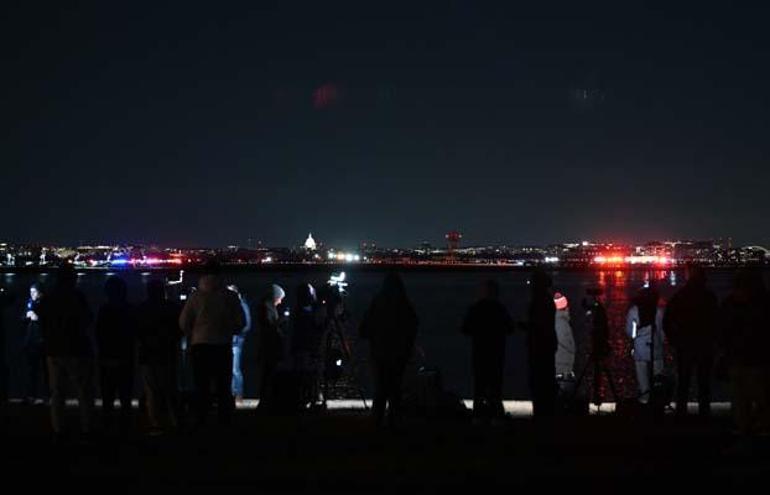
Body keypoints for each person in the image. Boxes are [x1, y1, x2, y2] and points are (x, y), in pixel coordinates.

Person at [179, 264, 245, 427]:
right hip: (222, 345)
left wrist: (192, 334)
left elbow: (183, 321)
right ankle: (224, 420)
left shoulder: (195, 297)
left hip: (200, 345)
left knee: (201, 384)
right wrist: (230, 330)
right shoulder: (230, 296)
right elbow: (240, 322)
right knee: (223, 385)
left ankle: (201, 419)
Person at [37, 266, 95, 439]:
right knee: (83, 392)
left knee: (57, 392)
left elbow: (42, 322)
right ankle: (86, 428)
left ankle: (58, 428)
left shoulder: (48, 298)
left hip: (53, 350)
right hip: (77, 349)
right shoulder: (77, 297)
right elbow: (87, 319)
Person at [359, 272, 418, 428]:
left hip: (379, 352)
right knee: (396, 388)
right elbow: (412, 327)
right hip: (399, 353)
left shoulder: (377, 304)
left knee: (380, 388)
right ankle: (394, 420)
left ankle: (377, 421)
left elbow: (364, 329)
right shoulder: (405, 305)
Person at [719, 269, 770, 437]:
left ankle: (743, 431)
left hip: (737, 358)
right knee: (760, 397)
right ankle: (761, 430)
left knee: (740, 399)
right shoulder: (763, 305)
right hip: (757, 360)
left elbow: (722, 331)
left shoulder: (729, 305)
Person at [663, 265, 719, 417]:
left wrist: (673, 339)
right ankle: (704, 414)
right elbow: (717, 321)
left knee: (684, 381)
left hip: (685, 345)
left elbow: (667, 321)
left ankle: (681, 413)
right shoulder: (709, 297)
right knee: (704, 383)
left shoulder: (680, 296)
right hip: (705, 345)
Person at [461, 279, 515, 422]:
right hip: (497, 353)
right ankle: (497, 417)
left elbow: (465, 329)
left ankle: (478, 417)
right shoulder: (500, 309)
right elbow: (510, 328)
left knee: (479, 386)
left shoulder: (475, 308)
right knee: (496, 387)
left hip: (479, 352)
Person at [137, 279, 182, 434]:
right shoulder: (171, 308)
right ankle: (175, 421)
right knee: (170, 389)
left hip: (147, 355)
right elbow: (179, 330)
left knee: (151, 391)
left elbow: (137, 332)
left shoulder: (142, 309)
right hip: (167, 353)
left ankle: (156, 423)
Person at [95, 276, 136, 434]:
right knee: (125, 396)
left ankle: (107, 428)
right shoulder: (130, 309)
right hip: (126, 357)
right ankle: (126, 428)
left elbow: (98, 333)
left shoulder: (104, 310)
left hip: (107, 358)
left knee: (107, 396)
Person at [626, 282, 665, 404]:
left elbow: (631, 333)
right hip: (656, 348)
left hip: (640, 349)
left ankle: (644, 399)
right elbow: (662, 332)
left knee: (642, 378)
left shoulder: (633, 311)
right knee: (658, 378)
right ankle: (658, 401)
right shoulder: (658, 311)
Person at [525, 268, 557, 418]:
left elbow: (539, 324)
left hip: (540, 344)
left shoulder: (540, 301)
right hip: (547, 342)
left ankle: (542, 411)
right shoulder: (547, 299)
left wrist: (527, 326)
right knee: (546, 377)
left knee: (539, 379)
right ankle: (547, 410)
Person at [290, 282, 326, 408]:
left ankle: (308, 396)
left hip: (303, 347)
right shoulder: (304, 311)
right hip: (306, 347)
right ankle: (307, 397)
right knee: (305, 373)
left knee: (306, 373)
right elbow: (317, 327)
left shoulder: (301, 310)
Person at [255, 284, 286, 412]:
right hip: (269, 346)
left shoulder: (267, 307)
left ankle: (267, 400)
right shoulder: (267, 308)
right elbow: (270, 326)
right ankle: (265, 401)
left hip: (269, 346)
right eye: (280, 298)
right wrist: (281, 321)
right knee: (268, 374)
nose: (280, 301)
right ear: (275, 296)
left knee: (268, 374)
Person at [23, 283, 48, 404]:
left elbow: (49, 321)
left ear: (40, 293)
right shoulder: (29, 303)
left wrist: (38, 318)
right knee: (31, 370)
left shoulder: (45, 304)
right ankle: (31, 395)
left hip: (42, 341)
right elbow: (22, 318)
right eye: (30, 292)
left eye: (34, 292)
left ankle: (46, 396)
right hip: (31, 341)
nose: (31, 294)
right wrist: (26, 316)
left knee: (44, 370)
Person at [228, 285, 252, 403]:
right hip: (232, 340)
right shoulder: (234, 306)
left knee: (235, 369)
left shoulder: (242, 305)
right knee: (232, 369)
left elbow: (247, 325)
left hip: (237, 341)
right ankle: (233, 394)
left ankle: (238, 394)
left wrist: (236, 333)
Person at [553, 292, 576, 380]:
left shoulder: (556, 321)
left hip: (559, 367)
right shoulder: (562, 324)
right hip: (562, 369)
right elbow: (568, 346)